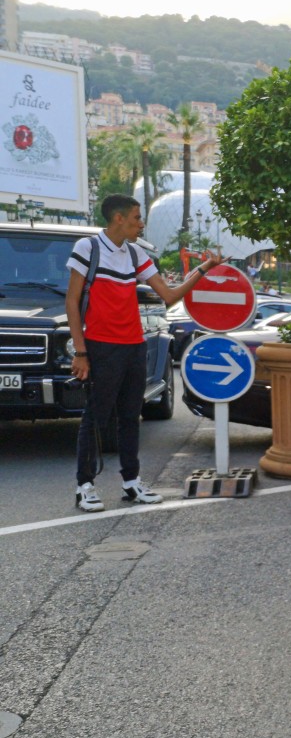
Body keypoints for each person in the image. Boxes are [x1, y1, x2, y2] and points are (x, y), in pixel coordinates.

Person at [67, 194, 221, 513]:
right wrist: (81, 352)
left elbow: (168, 294)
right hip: (101, 346)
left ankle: (131, 482)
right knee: (96, 417)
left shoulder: (136, 254)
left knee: (130, 416)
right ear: (119, 218)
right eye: (137, 218)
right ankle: (85, 486)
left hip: (134, 345)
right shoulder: (88, 248)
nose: (141, 224)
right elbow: (72, 301)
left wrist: (205, 268)